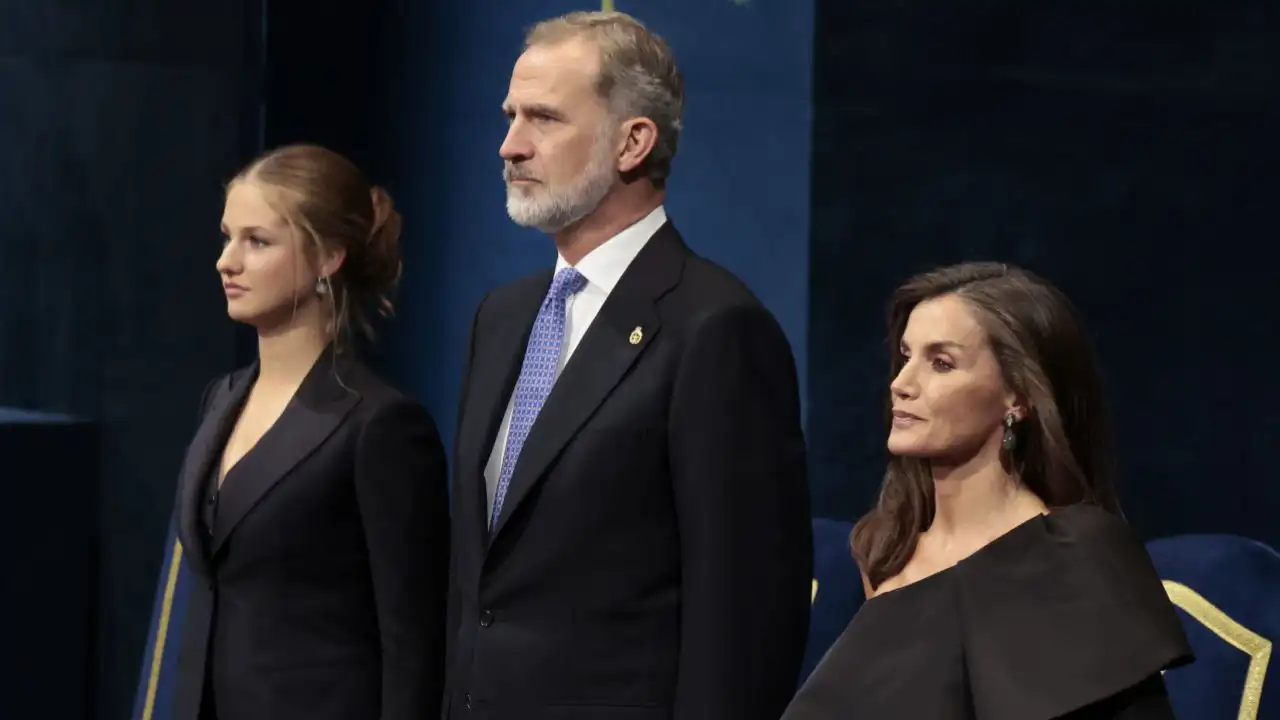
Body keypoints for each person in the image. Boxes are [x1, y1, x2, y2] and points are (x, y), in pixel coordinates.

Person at [443, 11, 813, 720]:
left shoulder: (716, 329)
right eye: (510, 116)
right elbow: (477, 587)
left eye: (543, 119)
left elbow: (744, 618)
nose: (510, 145)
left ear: (633, 141)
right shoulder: (502, 318)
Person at [782, 261, 1193, 719]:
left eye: (941, 363)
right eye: (904, 357)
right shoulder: (884, 550)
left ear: (1017, 396)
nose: (901, 384)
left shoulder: (1079, 557)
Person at [169, 144, 450, 720]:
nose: (227, 261)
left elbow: (413, 643)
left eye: (258, 241)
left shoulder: (380, 426)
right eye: (227, 236)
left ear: (328, 257)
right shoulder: (220, 400)